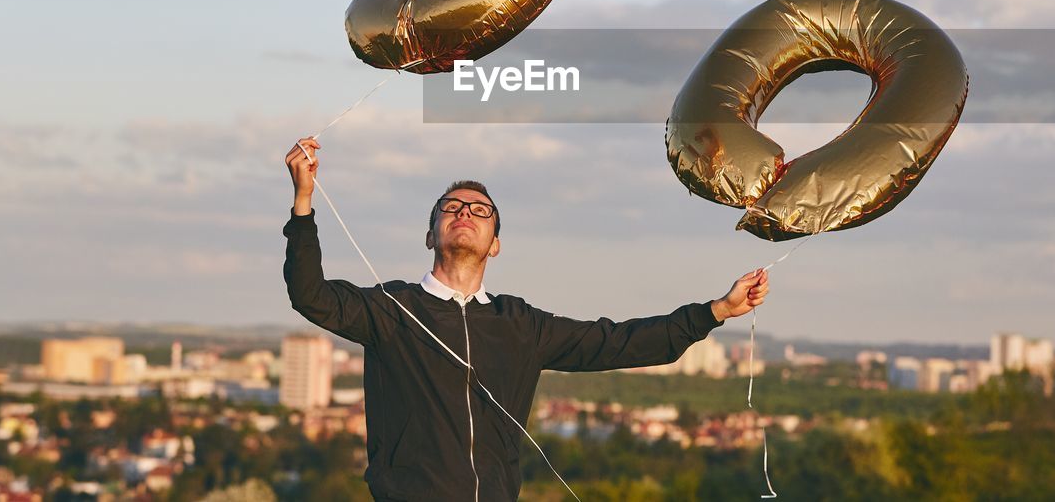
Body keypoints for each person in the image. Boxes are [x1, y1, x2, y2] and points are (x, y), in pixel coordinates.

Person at [283, 137, 770, 502]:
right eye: (450, 207)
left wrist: (717, 312)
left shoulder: (521, 324)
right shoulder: (392, 310)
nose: (464, 212)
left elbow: (620, 342)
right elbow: (311, 296)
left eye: (480, 209)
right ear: (430, 235)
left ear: (495, 243)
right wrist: (304, 201)